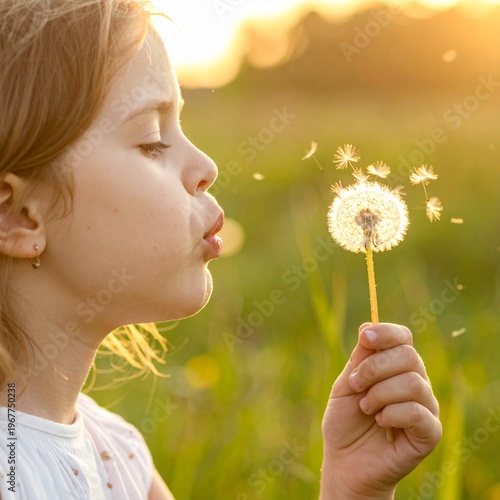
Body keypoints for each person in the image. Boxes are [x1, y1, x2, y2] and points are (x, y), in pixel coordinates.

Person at [0, 1, 441, 498]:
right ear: (20, 216)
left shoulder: (119, 456)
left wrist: (352, 486)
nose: (206, 165)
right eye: (151, 141)